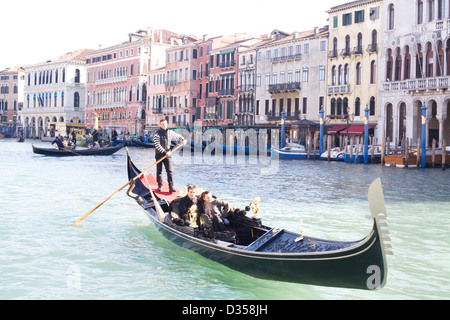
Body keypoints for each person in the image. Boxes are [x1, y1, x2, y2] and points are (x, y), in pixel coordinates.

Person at [153, 119, 186, 192]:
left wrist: (183, 139)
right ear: (160, 125)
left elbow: (177, 136)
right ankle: (160, 186)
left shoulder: (170, 132)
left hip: (167, 154)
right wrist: (165, 152)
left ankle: (171, 187)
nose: (164, 125)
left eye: (165, 124)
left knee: (169, 171)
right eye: (162, 124)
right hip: (159, 154)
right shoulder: (157, 134)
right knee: (159, 171)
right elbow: (157, 145)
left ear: (167, 124)